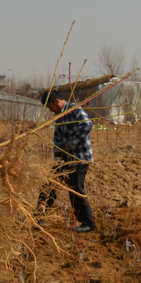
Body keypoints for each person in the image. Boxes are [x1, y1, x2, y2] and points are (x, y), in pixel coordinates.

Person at [39, 90, 96, 233]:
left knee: (75, 190)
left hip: (79, 159)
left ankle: (88, 223)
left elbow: (87, 124)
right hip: (64, 160)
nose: (50, 110)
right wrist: (58, 157)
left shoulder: (74, 109)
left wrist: (73, 142)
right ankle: (38, 216)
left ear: (57, 101)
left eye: (50, 106)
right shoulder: (59, 116)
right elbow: (57, 138)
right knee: (50, 186)